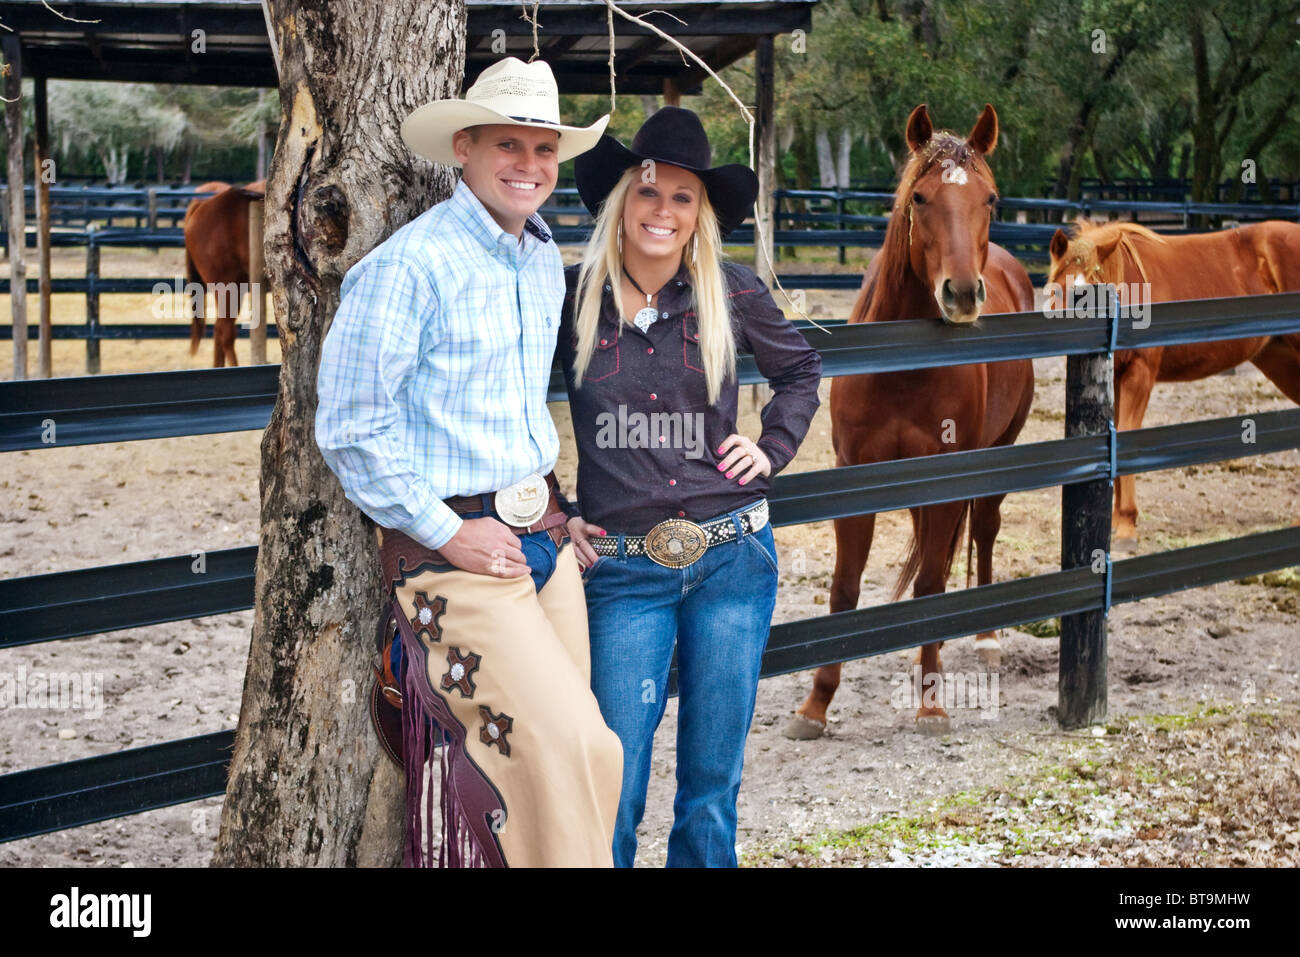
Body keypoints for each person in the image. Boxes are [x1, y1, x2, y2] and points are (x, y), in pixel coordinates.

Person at [315, 57, 623, 868]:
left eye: (544, 150)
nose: (529, 165)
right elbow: (350, 428)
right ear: (465, 147)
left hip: (543, 538)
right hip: (463, 553)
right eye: (508, 146)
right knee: (570, 752)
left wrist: (553, 509)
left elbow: (517, 411)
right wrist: (449, 533)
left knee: (585, 757)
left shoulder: (538, 259)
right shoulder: (407, 267)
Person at [556, 107, 823, 867]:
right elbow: (506, 403)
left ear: (699, 213)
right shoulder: (573, 299)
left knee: (711, 785)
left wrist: (771, 445)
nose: (662, 211)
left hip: (732, 559)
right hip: (624, 570)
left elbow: (801, 369)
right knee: (613, 775)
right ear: (620, 202)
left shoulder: (731, 291)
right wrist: (550, 506)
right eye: (648, 192)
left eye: (682, 197)